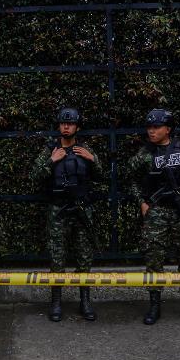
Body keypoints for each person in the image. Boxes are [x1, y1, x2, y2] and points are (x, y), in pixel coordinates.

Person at [126, 108, 180, 325]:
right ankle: (155, 306)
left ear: (168, 129)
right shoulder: (144, 154)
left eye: (156, 127)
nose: (151, 131)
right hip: (157, 212)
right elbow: (131, 178)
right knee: (154, 258)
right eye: (149, 127)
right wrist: (142, 203)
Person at [30, 107, 102, 322]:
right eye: (63, 123)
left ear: (77, 127)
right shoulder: (49, 151)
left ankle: (85, 301)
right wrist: (51, 161)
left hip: (81, 209)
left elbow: (100, 177)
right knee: (57, 258)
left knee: (84, 258)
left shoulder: (85, 151)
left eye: (70, 124)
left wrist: (93, 160)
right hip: (58, 211)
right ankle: (56, 302)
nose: (66, 126)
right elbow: (34, 177)